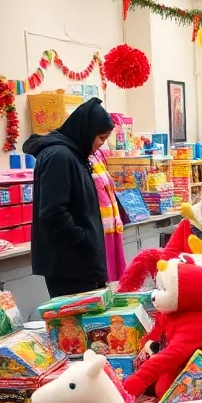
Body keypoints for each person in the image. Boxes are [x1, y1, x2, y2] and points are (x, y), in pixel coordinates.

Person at [25, 98, 114, 297]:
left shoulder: (74, 155)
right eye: (100, 137)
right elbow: (52, 211)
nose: (101, 144)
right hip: (70, 266)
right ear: (86, 131)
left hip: (81, 264)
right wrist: (83, 239)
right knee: (74, 326)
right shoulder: (59, 156)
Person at [90, 145, 127, 282]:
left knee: (115, 277)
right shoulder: (79, 158)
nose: (102, 143)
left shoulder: (97, 156)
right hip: (99, 229)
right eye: (101, 137)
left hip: (111, 226)